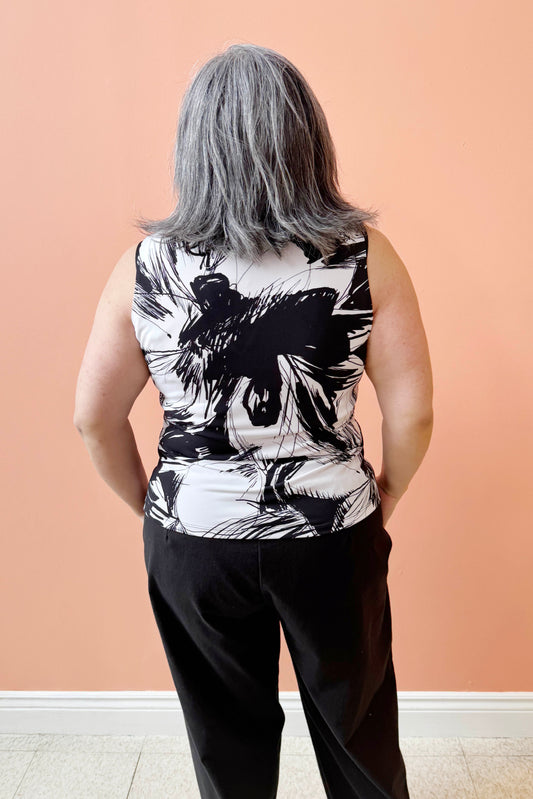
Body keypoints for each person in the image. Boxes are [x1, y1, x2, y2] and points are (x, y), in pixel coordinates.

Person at [74, 42, 433, 799]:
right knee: (359, 727)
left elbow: (92, 418)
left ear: (194, 147)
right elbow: (415, 410)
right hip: (330, 527)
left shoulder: (147, 266)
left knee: (224, 739)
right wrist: (388, 493)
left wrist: (156, 507)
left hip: (194, 536)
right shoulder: (363, 255)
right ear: (307, 138)